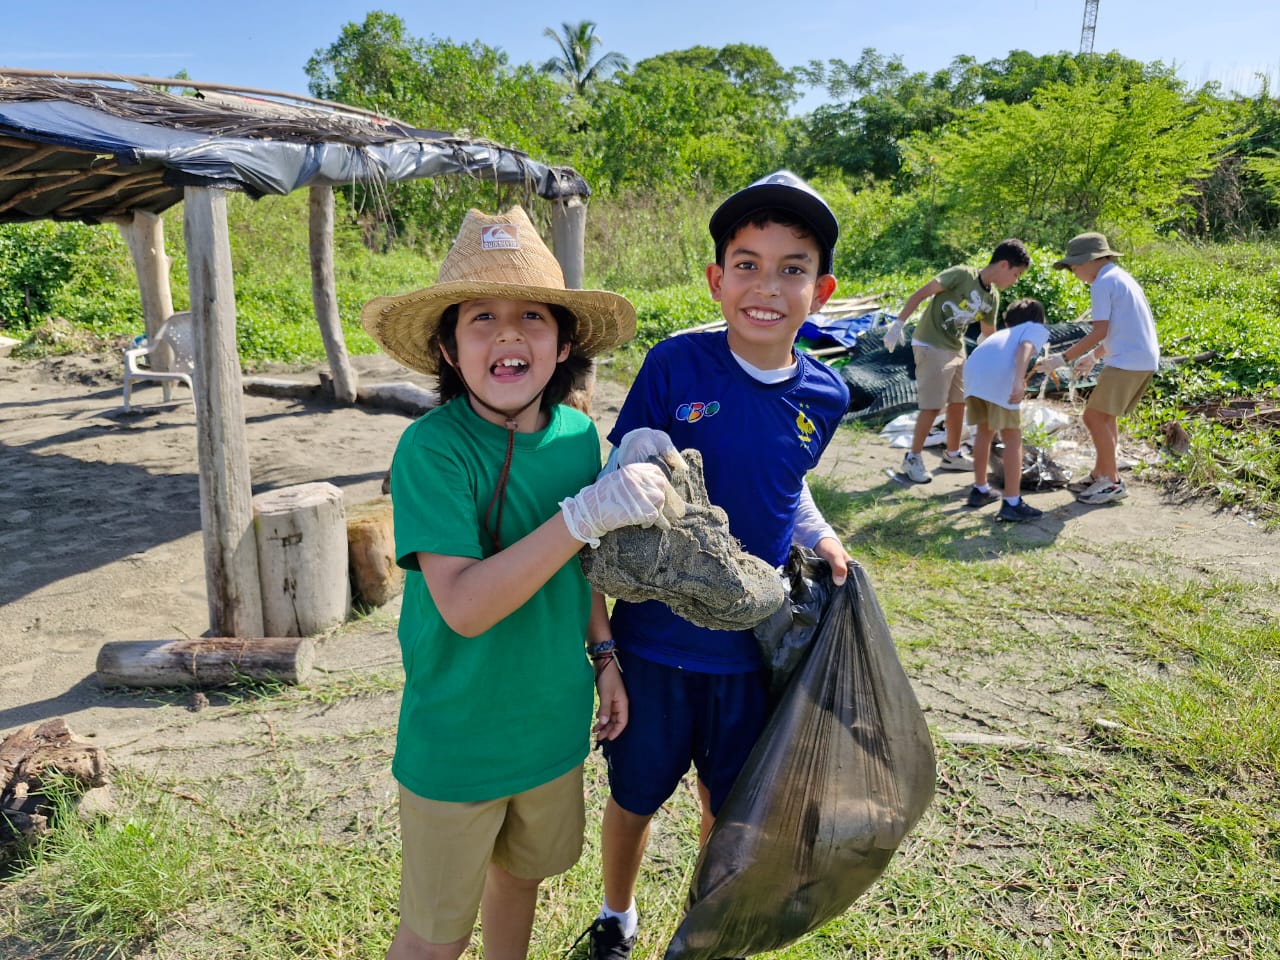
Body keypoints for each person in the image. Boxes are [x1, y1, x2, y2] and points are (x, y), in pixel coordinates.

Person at [360, 205, 680, 960]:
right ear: (447, 346)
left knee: (521, 882)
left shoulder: (575, 438)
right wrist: (582, 514)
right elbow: (465, 606)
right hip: (457, 737)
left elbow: (585, 569)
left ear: (563, 341)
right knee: (435, 934)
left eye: (532, 316)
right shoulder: (432, 450)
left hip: (550, 725)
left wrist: (604, 657)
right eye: (481, 318)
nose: (509, 334)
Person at [583, 171, 853, 960]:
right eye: (746, 263)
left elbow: (787, 484)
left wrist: (824, 533)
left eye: (792, 268)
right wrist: (638, 459)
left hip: (751, 653)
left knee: (725, 803)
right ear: (715, 277)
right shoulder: (675, 367)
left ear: (822, 289)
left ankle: (705, 920)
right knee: (634, 797)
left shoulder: (826, 395)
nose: (766, 287)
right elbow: (622, 473)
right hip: (654, 647)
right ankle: (617, 915)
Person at [884, 239, 1031, 484]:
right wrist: (898, 324)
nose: (1015, 281)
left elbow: (988, 334)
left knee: (958, 403)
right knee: (932, 406)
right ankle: (912, 458)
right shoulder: (962, 275)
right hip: (931, 343)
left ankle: (952, 455)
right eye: (1016, 274)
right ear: (1004, 265)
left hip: (956, 347)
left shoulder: (992, 297)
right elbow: (921, 293)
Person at [1035, 232, 1159, 505]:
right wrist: (1094, 356)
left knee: (1093, 418)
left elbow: (1100, 329)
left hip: (1128, 361)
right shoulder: (1120, 278)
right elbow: (1119, 328)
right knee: (1106, 417)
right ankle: (1101, 473)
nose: (1074, 272)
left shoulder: (1103, 283)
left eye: (1075, 265)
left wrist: (1062, 358)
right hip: (1137, 358)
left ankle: (1111, 483)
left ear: (1093, 260)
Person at [962, 297, 1051, 522]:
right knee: (1012, 438)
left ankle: (980, 489)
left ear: (1008, 321)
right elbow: (1026, 347)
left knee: (985, 431)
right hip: (998, 379)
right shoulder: (1035, 328)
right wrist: (1018, 381)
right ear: (1039, 318)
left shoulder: (1002, 333)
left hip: (973, 375)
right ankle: (1012, 502)